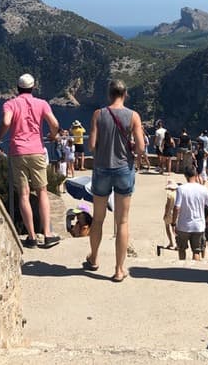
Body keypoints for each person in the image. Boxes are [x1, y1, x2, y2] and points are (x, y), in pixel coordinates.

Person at [83, 79, 145, 283]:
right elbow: (141, 149)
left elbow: (91, 145)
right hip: (123, 170)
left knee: (98, 218)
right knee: (123, 221)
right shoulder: (133, 116)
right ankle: (119, 269)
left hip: (101, 168)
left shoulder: (98, 114)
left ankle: (93, 258)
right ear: (125, 94)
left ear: (109, 94)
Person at [0, 73, 62, 248]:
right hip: (37, 150)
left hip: (17, 152)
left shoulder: (10, 104)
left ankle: (31, 237)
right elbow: (54, 124)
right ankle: (47, 234)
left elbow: (6, 121)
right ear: (34, 87)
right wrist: (53, 136)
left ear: (17, 87)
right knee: (42, 192)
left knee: (23, 195)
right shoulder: (42, 104)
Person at [171, 164, 208, 261]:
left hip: (183, 225)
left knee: (181, 249)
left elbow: (177, 207)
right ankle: (195, 272)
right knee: (196, 251)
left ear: (185, 176)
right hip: (199, 225)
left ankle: (182, 270)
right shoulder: (203, 189)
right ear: (196, 175)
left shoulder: (181, 189)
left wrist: (173, 223)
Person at [163, 180, 178, 250]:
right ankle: (177, 243)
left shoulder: (169, 194)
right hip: (176, 213)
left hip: (169, 213)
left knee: (167, 227)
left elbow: (167, 205)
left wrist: (165, 214)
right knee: (175, 228)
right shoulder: (178, 194)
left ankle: (171, 242)